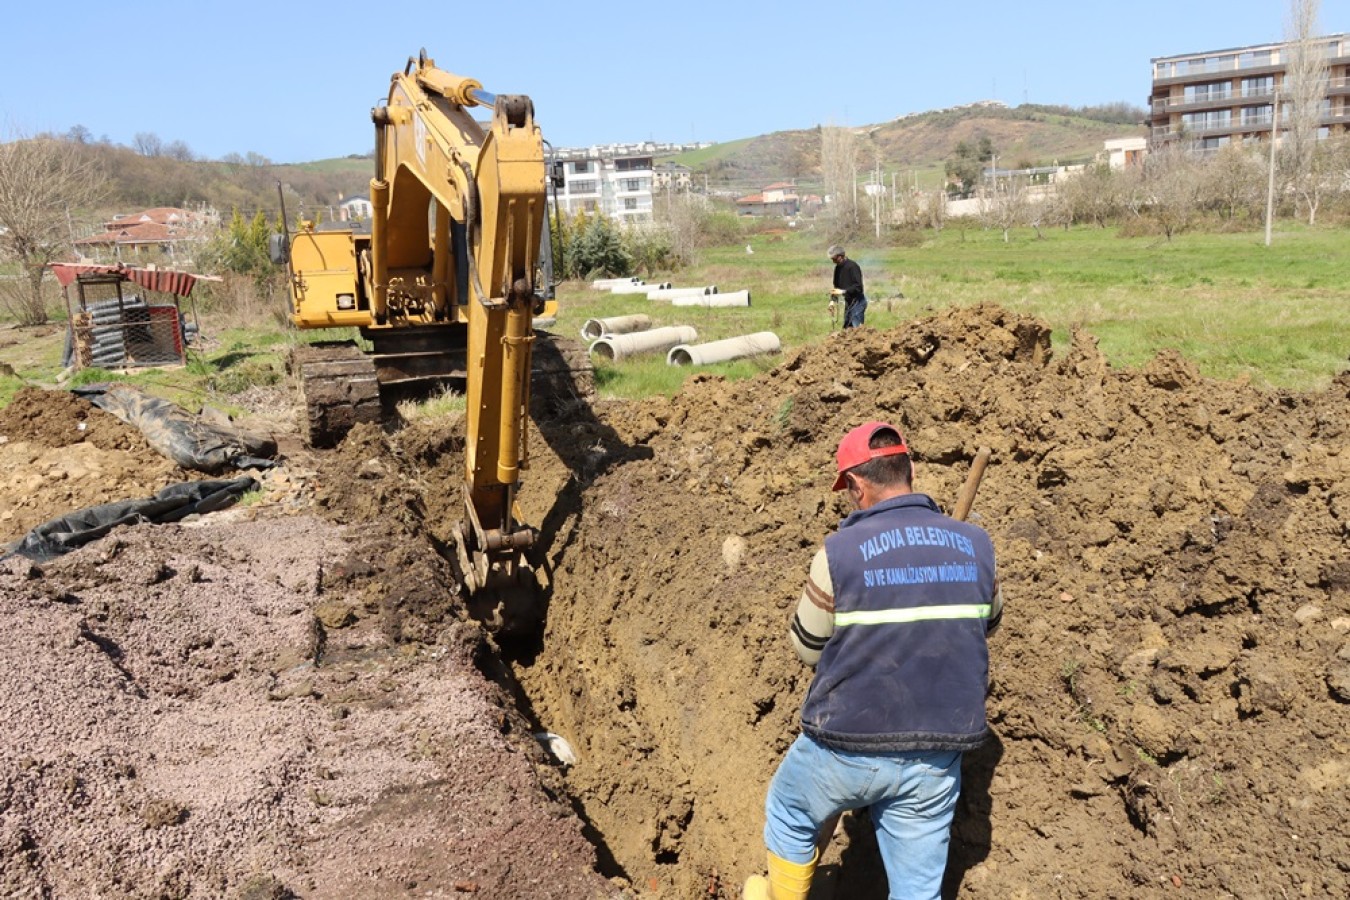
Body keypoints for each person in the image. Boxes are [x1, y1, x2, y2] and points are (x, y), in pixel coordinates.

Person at [743, 422, 1003, 900]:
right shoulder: (977, 545)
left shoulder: (837, 556)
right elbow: (984, 624)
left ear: (858, 485)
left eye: (849, 491)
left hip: (847, 745)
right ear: (909, 471)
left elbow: (806, 646)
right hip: (937, 753)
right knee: (917, 888)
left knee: (789, 810)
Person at [827, 245, 867, 328]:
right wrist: (832, 302)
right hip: (849, 302)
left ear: (840, 256)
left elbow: (858, 287)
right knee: (847, 329)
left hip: (858, 302)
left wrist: (843, 291)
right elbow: (836, 287)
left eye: (834, 258)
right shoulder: (837, 269)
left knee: (857, 330)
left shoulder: (853, 266)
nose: (833, 261)